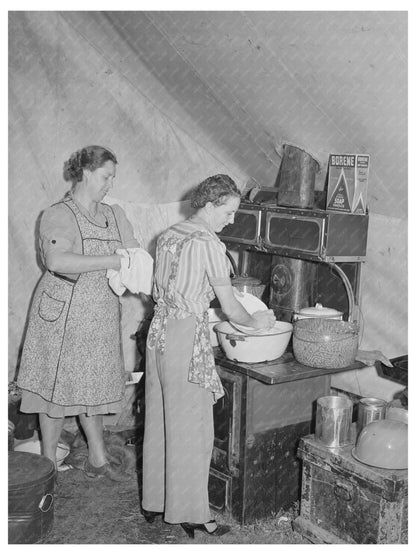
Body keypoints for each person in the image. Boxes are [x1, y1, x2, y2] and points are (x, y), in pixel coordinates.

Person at [142, 174, 275, 538]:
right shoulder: (209, 244)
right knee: (193, 427)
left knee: (161, 419)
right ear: (210, 204)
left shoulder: (169, 235)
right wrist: (259, 323)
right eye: (229, 212)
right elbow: (232, 309)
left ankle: (156, 501)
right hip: (185, 339)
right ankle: (191, 513)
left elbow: (169, 292)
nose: (231, 220)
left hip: (159, 332)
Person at [17, 145, 139, 481]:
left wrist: (137, 267)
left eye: (113, 176)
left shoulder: (114, 215)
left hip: (99, 311)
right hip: (61, 312)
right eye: (105, 176)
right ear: (85, 173)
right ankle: (47, 466)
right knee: (54, 390)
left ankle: (97, 458)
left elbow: (133, 253)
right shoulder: (58, 215)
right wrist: (115, 262)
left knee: (94, 385)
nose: (110, 183)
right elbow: (57, 261)